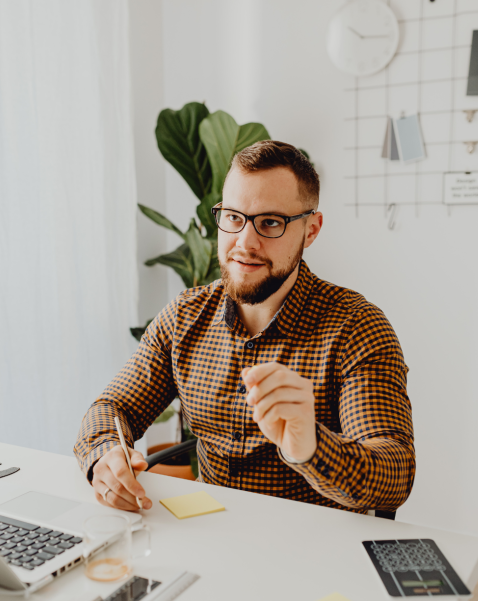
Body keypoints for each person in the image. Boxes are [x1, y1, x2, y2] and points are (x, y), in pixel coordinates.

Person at [74, 140, 415, 515]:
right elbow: (112, 406)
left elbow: (394, 472)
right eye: (234, 218)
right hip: (210, 535)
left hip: (313, 551)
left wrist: (311, 445)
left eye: (270, 222)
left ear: (311, 230)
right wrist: (105, 454)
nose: (244, 242)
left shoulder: (356, 327)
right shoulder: (185, 316)